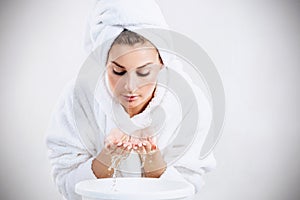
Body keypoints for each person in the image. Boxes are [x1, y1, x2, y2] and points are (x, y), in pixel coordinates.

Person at [46, 1, 216, 200]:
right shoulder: (79, 97)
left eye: (144, 72)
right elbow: (64, 178)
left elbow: (191, 187)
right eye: (118, 71)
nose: (130, 87)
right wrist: (105, 160)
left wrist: (153, 165)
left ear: (162, 62)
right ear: (103, 63)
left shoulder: (188, 103)